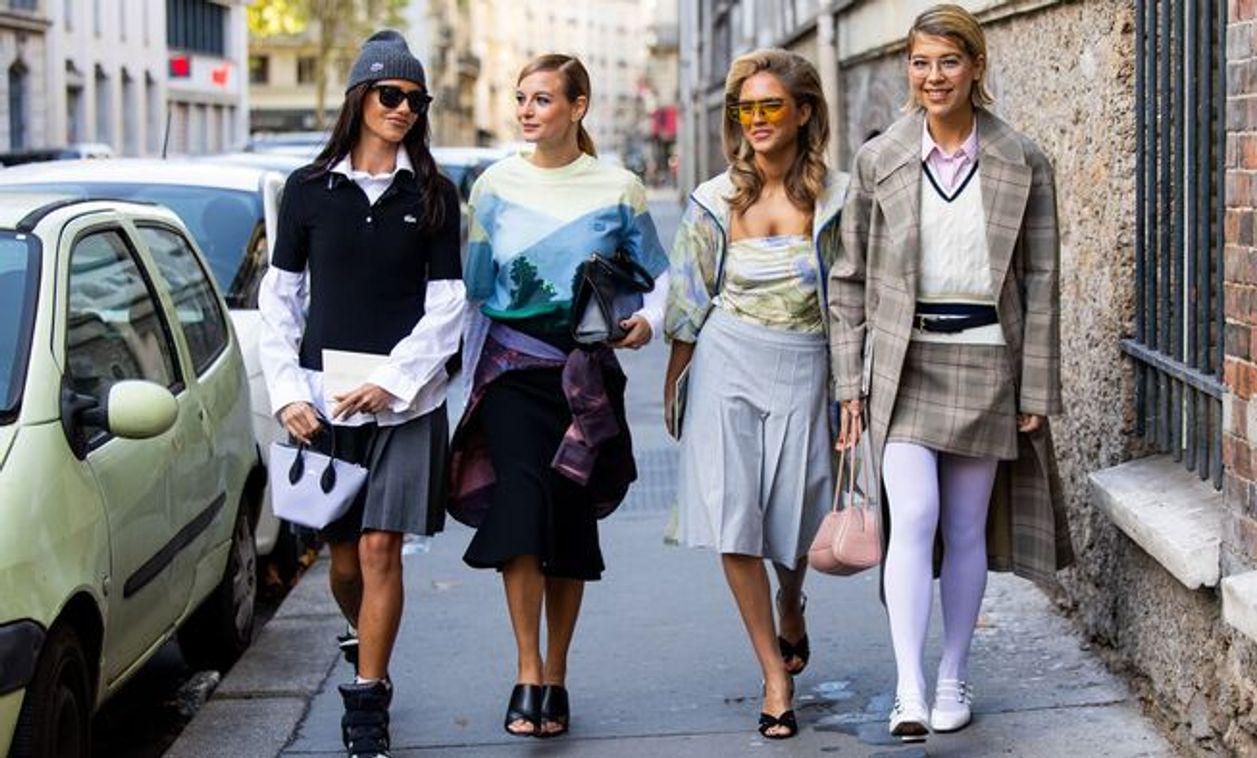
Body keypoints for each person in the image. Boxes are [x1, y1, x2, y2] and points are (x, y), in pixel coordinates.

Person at [829, 4, 1073, 744]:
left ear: (975, 67)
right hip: (903, 363)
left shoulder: (1022, 159)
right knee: (914, 517)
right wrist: (848, 384)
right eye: (920, 62)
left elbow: (1042, 280)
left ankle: (952, 676)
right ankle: (907, 685)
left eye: (948, 62)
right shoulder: (880, 159)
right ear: (907, 68)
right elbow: (848, 278)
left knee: (966, 527)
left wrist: (1036, 387)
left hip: (986, 359)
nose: (932, 77)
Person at [447, 54, 669, 740]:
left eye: (542, 98)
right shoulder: (492, 187)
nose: (526, 110)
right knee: (520, 512)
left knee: (569, 523)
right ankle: (527, 670)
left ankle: (558, 673)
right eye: (521, 98)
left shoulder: (620, 187)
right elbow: (471, 292)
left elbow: (660, 278)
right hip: (511, 371)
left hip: (584, 378)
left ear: (577, 106)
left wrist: (646, 322)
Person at [257, 30, 464, 758]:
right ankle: (362, 634)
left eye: (415, 100)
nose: (403, 108)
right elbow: (280, 301)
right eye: (390, 94)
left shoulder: (433, 193)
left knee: (380, 550)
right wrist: (287, 394)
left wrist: (393, 382)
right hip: (325, 402)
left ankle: (368, 702)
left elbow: (448, 304)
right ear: (359, 97)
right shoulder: (308, 190)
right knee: (343, 562)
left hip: (408, 405)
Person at [664, 48, 847, 741]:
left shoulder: (839, 198)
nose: (758, 120)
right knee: (733, 516)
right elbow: (688, 294)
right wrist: (676, 380)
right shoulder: (714, 199)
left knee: (798, 512)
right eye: (747, 108)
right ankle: (773, 674)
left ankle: (790, 598)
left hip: (805, 361)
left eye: (772, 105)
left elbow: (855, 298)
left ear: (803, 113)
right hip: (727, 360)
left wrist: (853, 388)